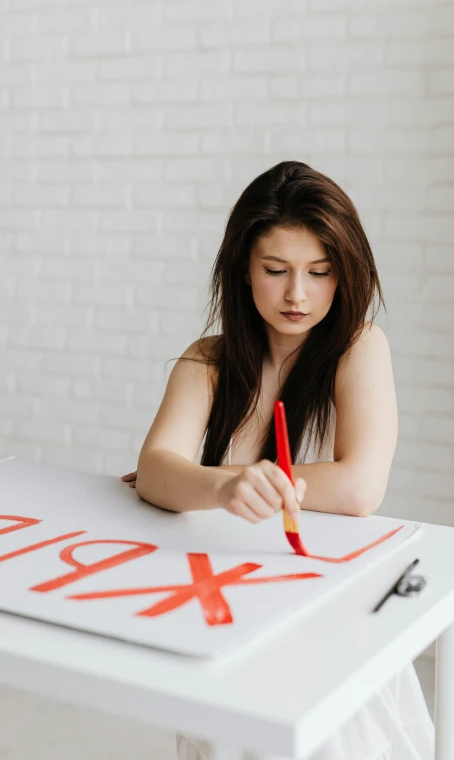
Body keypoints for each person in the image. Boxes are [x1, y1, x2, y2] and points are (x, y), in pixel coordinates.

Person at [121, 161, 434, 759]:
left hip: (328, 605)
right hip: (231, 601)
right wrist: (222, 487)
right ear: (243, 268)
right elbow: (155, 468)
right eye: (275, 270)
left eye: (319, 272)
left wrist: (212, 482)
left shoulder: (358, 348)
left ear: (344, 275)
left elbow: (360, 486)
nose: (297, 294)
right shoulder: (207, 361)